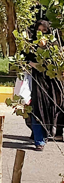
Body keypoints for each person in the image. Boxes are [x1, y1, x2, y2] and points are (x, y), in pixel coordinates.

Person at [25, 20, 64, 150]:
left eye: (44, 31)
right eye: (39, 30)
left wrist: (46, 48)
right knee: (38, 107)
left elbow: (56, 61)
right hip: (38, 80)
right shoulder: (31, 45)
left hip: (52, 81)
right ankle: (39, 140)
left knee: (50, 107)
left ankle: (44, 133)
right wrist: (34, 64)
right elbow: (26, 59)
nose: (41, 33)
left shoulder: (54, 44)